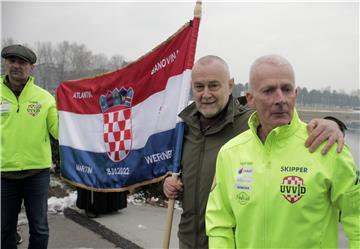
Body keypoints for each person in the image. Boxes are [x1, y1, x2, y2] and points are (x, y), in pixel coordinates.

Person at [163, 55, 347, 249]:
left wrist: (332, 123)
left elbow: (289, 120)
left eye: (214, 86)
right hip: (187, 240)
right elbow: (168, 167)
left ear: (230, 85)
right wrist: (166, 181)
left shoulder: (252, 121)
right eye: (199, 87)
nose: (206, 94)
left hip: (233, 242)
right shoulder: (184, 128)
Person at [1, 44, 58, 249]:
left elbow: (59, 131)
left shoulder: (44, 97)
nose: (16, 66)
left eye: (22, 62)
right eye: (11, 61)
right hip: (3, 175)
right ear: (5, 63)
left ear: (31, 67)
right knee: (4, 229)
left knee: (40, 228)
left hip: (37, 173)